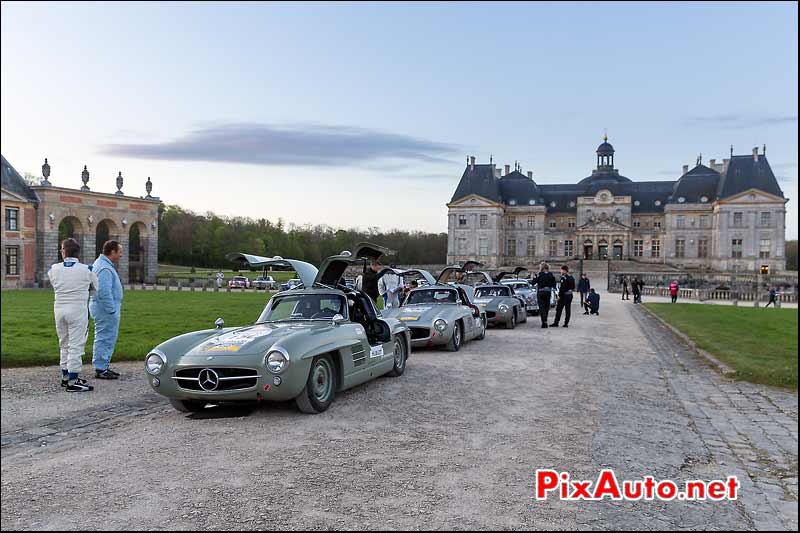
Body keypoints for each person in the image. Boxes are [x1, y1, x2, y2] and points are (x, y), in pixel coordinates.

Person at [48, 238, 99, 392]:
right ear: (78, 252)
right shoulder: (87, 269)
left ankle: (65, 376)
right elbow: (96, 289)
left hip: (59, 309)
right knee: (76, 345)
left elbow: (54, 283)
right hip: (78, 310)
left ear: (63, 252)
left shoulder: (54, 269)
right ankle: (73, 380)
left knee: (64, 343)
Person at [90, 240, 124, 380]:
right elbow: (103, 292)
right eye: (120, 252)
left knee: (106, 337)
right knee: (105, 338)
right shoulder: (104, 268)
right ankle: (101, 368)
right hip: (105, 310)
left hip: (103, 308)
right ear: (112, 252)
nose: (121, 255)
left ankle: (103, 365)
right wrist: (112, 310)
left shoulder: (103, 264)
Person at [532, 262, 557, 328]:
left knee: (542, 307)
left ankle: (544, 322)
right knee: (546, 307)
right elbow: (554, 283)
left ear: (541, 268)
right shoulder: (551, 274)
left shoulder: (539, 274)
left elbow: (533, 283)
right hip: (548, 292)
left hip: (541, 292)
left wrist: (534, 278)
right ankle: (545, 320)